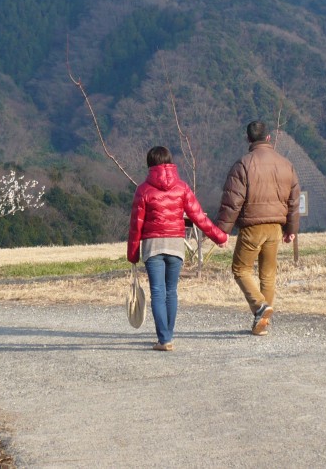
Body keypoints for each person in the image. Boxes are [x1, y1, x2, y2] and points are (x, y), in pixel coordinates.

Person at [127, 145, 228, 351]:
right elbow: (199, 217)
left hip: (153, 246)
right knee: (171, 291)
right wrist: (219, 236)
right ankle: (168, 335)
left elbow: (136, 225)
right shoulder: (182, 187)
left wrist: (132, 254)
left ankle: (164, 339)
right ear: (170, 162)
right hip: (175, 245)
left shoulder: (143, 189)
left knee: (157, 292)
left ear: (150, 165)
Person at [218, 120, 300, 336]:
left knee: (240, 269)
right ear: (269, 138)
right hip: (276, 227)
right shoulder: (286, 164)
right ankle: (262, 323)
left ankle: (260, 307)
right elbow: (293, 200)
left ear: (248, 139)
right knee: (268, 275)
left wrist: (222, 231)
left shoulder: (243, 164)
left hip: (252, 227)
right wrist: (291, 228)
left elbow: (233, 201)